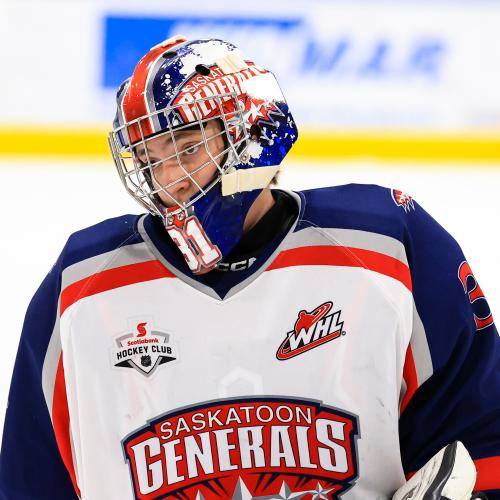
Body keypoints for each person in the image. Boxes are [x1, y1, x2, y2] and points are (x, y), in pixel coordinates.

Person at [0, 35, 499, 500]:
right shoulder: (82, 288)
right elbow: (32, 480)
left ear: (253, 134)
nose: (170, 180)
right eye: (150, 159)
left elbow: (479, 436)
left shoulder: (384, 246)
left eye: (187, 149)